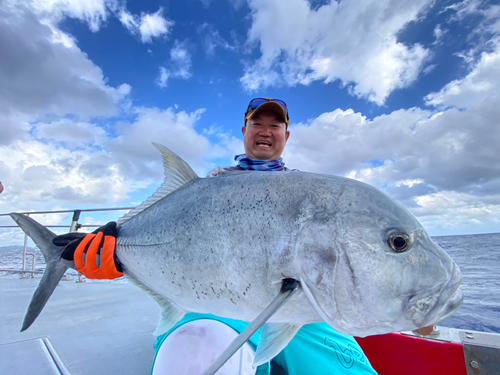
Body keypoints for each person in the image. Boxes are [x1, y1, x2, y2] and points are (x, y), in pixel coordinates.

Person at [58, 98, 377, 375]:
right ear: (244, 131)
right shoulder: (211, 186)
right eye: (257, 123)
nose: (265, 130)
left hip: (306, 312)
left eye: (275, 125)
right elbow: (174, 249)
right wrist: (117, 255)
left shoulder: (307, 193)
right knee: (193, 358)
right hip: (216, 303)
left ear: (286, 135)